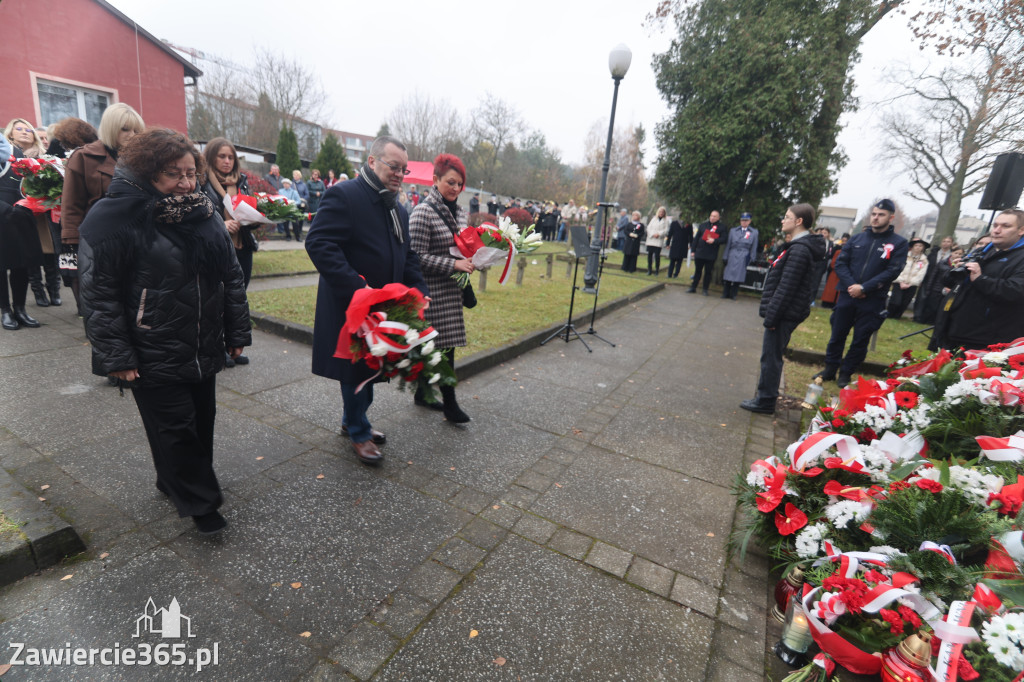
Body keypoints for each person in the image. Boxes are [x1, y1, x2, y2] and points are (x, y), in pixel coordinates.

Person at [78, 127, 251, 535]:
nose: (186, 183)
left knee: (201, 420)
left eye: (191, 173)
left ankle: (173, 479)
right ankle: (201, 504)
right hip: (151, 342)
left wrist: (236, 332)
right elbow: (98, 294)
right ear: (147, 172)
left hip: (202, 341)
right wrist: (116, 356)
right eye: (174, 174)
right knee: (175, 427)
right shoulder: (114, 217)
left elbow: (230, 276)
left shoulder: (204, 211)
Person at [305, 136, 429, 465]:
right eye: (394, 166)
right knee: (356, 370)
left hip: (383, 308)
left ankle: (353, 420)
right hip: (351, 305)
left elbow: (408, 256)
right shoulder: (345, 195)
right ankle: (359, 431)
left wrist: (419, 292)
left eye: (404, 169)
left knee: (370, 367)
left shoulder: (397, 208)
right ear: (372, 162)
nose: (399, 174)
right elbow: (319, 243)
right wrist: (358, 288)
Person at [740, 204, 826, 414]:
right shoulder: (796, 246)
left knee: (771, 357)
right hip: (784, 312)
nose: (783, 220)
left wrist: (772, 317)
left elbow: (786, 288)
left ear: (799, 221)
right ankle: (765, 398)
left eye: (787, 217)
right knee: (770, 356)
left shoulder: (799, 250)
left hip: (783, 314)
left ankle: (766, 401)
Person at [408, 153, 474, 424]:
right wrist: (453, 264)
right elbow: (414, 256)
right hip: (431, 293)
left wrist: (476, 257)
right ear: (435, 179)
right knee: (444, 348)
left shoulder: (460, 211)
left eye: (459, 184)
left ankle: (423, 394)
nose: (455, 188)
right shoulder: (422, 212)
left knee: (438, 345)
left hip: (452, 291)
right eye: (450, 182)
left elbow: (464, 244)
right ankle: (450, 403)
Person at [815, 199, 908, 387]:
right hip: (847, 295)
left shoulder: (898, 243)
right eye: (873, 214)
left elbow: (892, 271)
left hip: (872, 299)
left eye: (881, 215)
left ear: (890, 218)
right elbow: (841, 263)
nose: (876, 218)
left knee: (860, 339)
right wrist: (852, 286)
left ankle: (846, 373)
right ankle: (830, 369)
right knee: (837, 335)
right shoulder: (857, 239)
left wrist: (865, 288)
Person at [61, 103, 144, 313]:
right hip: (99, 241)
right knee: (103, 299)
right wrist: (72, 242)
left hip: (139, 238)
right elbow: (72, 204)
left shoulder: (143, 159)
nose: (132, 135)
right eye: (125, 129)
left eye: (136, 130)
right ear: (111, 127)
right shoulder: (83, 157)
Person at [200, 137, 255, 368]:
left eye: (231, 157)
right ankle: (218, 349)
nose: (227, 161)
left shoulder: (241, 181)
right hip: (217, 250)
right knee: (217, 301)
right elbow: (198, 217)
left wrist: (253, 218)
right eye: (221, 156)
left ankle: (233, 345)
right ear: (211, 157)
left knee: (237, 298)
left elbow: (252, 212)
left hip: (242, 248)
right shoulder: (202, 182)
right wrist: (221, 225)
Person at [936, 210, 1024, 350]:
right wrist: (955, 271)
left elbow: (1015, 291)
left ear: (1021, 230)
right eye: (995, 225)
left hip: (989, 339)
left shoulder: (1020, 258)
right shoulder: (981, 251)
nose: (997, 230)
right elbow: (948, 282)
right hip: (956, 328)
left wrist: (980, 278)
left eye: (1006, 226)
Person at [1, 125, 44, 331]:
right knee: (1, 266)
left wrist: (31, 201)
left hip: (20, 214)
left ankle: (20, 309)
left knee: (22, 263)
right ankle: (5, 310)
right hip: (3, 213)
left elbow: (27, 183)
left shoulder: (15, 152)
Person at [885, 238, 929, 320]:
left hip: (912, 285)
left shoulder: (924, 260)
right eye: (916, 245)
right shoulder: (904, 256)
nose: (918, 247)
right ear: (912, 246)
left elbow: (921, 273)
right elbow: (898, 268)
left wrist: (911, 283)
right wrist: (901, 281)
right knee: (896, 301)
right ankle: (889, 315)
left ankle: (897, 317)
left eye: (920, 246)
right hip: (899, 282)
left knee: (905, 302)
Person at [913, 235, 953, 322]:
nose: (945, 243)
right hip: (928, 278)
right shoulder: (933, 253)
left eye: (948, 241)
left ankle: (930, 319)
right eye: (944, 241)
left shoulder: (951, 256)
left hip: (940, 281)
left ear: (951, 243)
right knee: (922, 298)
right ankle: (917, 316)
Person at [721, 212, 759, 299]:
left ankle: (733, 294)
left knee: (739, 275)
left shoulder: (754, 232)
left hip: (744, 255)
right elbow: (728, 245)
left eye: (746, 220)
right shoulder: (733, 231)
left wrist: (752, 258)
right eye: (742, 220)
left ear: (749, 221)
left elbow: (754, 246)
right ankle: (725, 293)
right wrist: (725, 256)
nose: (744, 222)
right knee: (728, 274)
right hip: (732, 253)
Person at [689, 210, 724, 295]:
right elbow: (696, 238)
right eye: (711, 215)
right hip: (700, 252)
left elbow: (724, 239)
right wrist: (693, 250)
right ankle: (693, 287)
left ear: (718, 218)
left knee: (708, 273)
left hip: (711, 254)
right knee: (697, 271)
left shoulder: (722, 227)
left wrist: (714, 240)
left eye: (714, 216)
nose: (712, 217)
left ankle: (705, 289)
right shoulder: (703, 225)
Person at [820, 233, 848, 308]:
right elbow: (833, 262)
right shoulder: (838, 250)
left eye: (846, 241)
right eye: (843, 240)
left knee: (835, 290)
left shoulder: (845, 252)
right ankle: (827, 302)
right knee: (830, 289)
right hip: (835, 272)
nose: (844, 242)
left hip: (841, 273)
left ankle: (833, 303)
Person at [645, 206, 669, 275]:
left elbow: (666, 230)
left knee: (657, 256)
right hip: (651, 239)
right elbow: (649, 228)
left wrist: (659, 234)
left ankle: (657, 270)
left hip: (658, 240)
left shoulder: (666, 221)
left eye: (662, 212)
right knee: (650, 255)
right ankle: (649, 269)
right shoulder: (653, 219)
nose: (661, 213)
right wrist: (653, 234)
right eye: (660, 212)